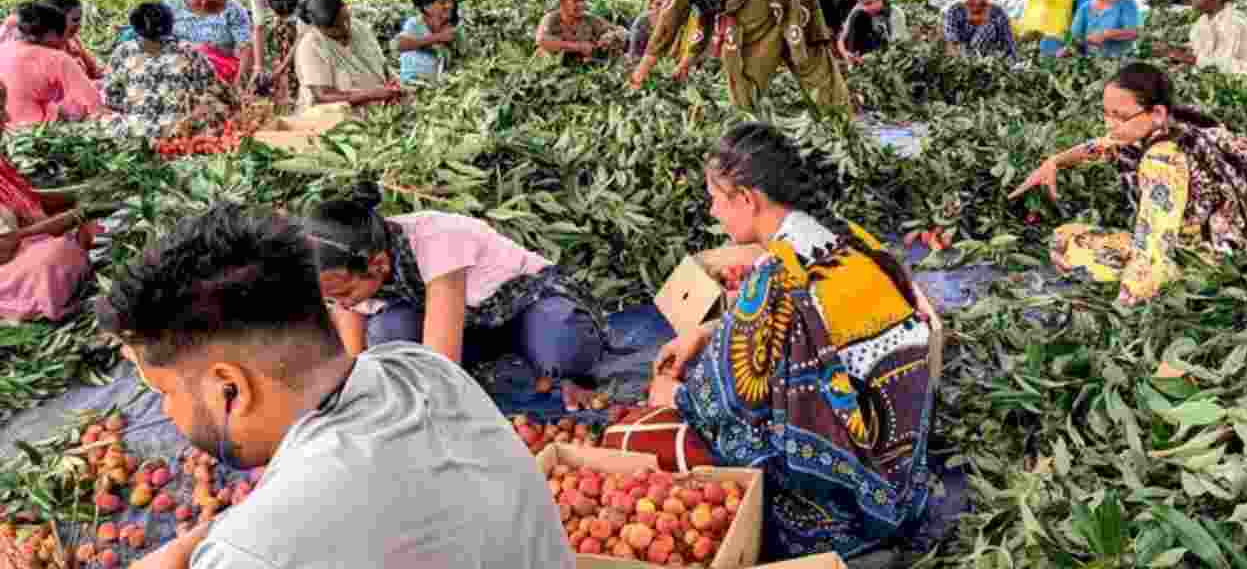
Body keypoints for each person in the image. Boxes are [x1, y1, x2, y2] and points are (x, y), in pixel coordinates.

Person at [97, 204, 574, 569]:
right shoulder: (423, 370)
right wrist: (191, 545)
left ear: (229, 390)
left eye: (163, 392)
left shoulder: (252, 555)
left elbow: (270, 542)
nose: (167, 413)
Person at [649, 123, 937, 560]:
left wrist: (674, 397)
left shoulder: (777, 278)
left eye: (714, 197)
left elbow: (728, 401)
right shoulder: (845, 238)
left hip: (850, 510)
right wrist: (706, 333)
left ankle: (824, 523)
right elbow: (812, 321)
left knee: (696, 427)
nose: (712, 211)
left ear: (747, 198)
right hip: (903, 477)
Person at [1010, 62, 1247, 306]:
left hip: (1218, 259)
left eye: (1120, 116)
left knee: (1066, 243)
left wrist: (1126, 302)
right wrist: (1054, 162)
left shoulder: (1163, 159)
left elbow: (1154, 241)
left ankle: (1181, 277)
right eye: (1106, 113)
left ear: (1157, 113)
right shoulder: (1178, 127)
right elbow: (1099, 147)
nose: (1110, 125)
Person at [306, 182, 605, 397]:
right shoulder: (352, 265)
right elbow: (351, 363)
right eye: (333, 299)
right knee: (388, 334)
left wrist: (429, 412)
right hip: (470, 324)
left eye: (344, 295)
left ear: (379, 264)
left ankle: (558, 368)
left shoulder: (437, 240)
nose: (342, 305)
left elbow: (441, 357)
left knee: (563, 342)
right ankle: (501, 365)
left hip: (525, 307)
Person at [630, 0, 850, 112]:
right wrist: (686, 62)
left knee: (741, 59)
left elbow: (668, 24)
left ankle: (746, 120)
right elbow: (704, 18)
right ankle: (839, 120)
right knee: (810, 54)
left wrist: (639, 75)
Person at [0, 80, 100, 322]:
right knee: (53, 258)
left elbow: (29, 198)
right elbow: (4, 248)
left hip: (22, 246)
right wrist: (75, 216)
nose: (6, 117)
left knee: (63, 248)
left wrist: (82, 192)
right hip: (8, 262)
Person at [104, 3, 235, 139]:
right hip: (180, 130)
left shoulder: (122, 52)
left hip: (138, 131)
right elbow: (215, 87)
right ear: (170, 25)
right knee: (216, 108)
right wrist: (235, 103)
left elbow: (111, 97)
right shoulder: (187, 50)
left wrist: (139, 104)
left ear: (135, 27)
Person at [0, 1, 103, 127]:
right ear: (53, 34)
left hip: (8, 132)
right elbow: (94, 105)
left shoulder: (3, 48)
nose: (65, 41)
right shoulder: (57, 59)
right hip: (34, 132)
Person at [293, 0, 402, 111]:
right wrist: (371, 94)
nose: (346, 27)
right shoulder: (311, 46)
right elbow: (323, 95)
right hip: (336, 118)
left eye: (347, 19)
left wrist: (392, 81)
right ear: (320, 27)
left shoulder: (360, 27)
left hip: (378, 110)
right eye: (337, 26)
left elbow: (382, 65)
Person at [1163, 0, 1247, 87]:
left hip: (1238, 89)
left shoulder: (1233, 23)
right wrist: (1174, 51)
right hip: (1211, 85)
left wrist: (1186, 58)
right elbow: (1200, 50)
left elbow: (1222, 65)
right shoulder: (1203, 20)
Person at [164, 0, 254, 87]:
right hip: (180, 67)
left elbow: (246, 48)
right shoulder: (170, 6)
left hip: (221, 70)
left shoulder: (233, 10)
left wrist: (238, 84)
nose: (204, 2)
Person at [248, 0, 327, 85]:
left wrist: (279, 70)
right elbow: (259, 27)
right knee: (284, 34)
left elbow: (303, 33)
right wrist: (258, 67)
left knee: (315, 36)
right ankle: (290, 82)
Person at [0, 0, 105, 80]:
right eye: (75, 20)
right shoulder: (41, 51)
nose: (79, 25)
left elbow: (95, 70)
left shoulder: (71, 38)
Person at [534, 0, 625, 61]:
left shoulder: (589, 19)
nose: (581, 5)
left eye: (583, 0)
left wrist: (610, 37)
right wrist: (578, 47)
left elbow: (620, 31)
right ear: (562, 1)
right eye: (576, 1)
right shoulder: (552, 18)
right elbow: (541, 39)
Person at [394, 0, 461, 84]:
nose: (448, 6)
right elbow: (400, 44)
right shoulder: (415, 24)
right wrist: (438, 37)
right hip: (413, 83)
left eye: (450, 1)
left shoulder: (456, 26)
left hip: (441, 84)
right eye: (442, 3)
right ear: (426, 7)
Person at [943, 0, 1016, 59]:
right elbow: (952, 42)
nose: (978, 1)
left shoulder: (998, 14)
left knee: (989, 27)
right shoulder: (955, 11)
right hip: (960, 58)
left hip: (989, 60)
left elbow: (1008, 44)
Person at [838, 0, 908, 61]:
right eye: (862, 4)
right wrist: (846, 54)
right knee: (858, 15)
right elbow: (841, 39)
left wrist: (874, 58)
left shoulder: (896, 14)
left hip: (885, 56)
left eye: (869, 3)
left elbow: (897, 47)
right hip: (862, 54)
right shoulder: (859, 9)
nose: (866, 8)